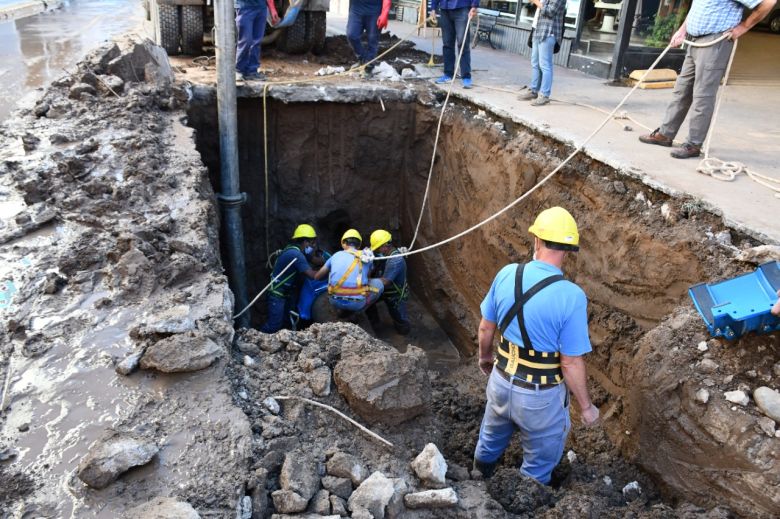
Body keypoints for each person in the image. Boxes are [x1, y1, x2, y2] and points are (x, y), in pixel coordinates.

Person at [472, 207, 600, 485]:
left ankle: (477, 482)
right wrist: (586, 407)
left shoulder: (507, 274)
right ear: (568, 251)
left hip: (501, 381)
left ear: (537, 242)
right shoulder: (571, 296)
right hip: (539, 397)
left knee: (490, 440)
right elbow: (570, 362)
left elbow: (485, 327)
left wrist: (485, 358)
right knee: (540, 462)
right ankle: (526, 499)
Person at [638, 0, 776, 158]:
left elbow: (768, 3)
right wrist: (682, 30)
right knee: (681, 90)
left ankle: (693, 144)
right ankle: (665, 134)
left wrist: (743, 27)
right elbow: (697, 7)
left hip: (715, 42)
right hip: (695, 39)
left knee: (703, 96)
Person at [260, 224, 319, 333]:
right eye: (312, 243)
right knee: (274, 325)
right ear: (305, 242)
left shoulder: (296, 250)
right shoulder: (296, 255)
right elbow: (312, 275)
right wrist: (331, 272)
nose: (314, 246)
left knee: (287, 322)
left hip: (286, 294)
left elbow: (316, 260)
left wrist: (331, 261)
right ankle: (255, 340)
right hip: (277, 294)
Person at [315, 229, 384, 314]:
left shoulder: (335, 255)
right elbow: (367, 278)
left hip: (334, 300)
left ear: (343, 243)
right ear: (359, 245)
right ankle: (358, 312)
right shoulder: (366, 256)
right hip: (357, 303)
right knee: (379, 284)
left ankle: (341, 309)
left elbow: (317, 276)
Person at [518, 0, 566, 106]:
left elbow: (550, 11)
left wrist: (536, 1)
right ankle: (533, 91)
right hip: (538, 30)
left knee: (545, 65)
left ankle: (544, 95)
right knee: (535, 63)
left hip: (549, 32)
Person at [366, 230, 411, 335]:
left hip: (395, 294)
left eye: (378, 248)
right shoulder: (386, 255)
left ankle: (404, 332)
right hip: (385, 291)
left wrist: (366, 281)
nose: (377, 251)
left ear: (385, 246)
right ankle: (376, 327)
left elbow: (385, 282)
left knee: (399, 318)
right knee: (368, 302)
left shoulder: (395, 260)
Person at [430, 0, 478, 89]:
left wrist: (474, 5)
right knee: (447, 43)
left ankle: (466, 77)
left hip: (462, 8)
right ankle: (448, 74)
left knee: (462, 43)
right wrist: (433, 7)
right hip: (445, 9)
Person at [235, 0, 280, 81]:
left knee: (256, 42)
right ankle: (239, 70)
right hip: (245, 7)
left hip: (261, 7)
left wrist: (272, 9)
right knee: (246, 41)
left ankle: (252, 71)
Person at [346, 0, 392, 71]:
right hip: (356, 9)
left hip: (374, 10)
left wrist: (384, 13)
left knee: (372, 40)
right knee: (351, 35)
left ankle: (369, 66)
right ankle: (363, 59)